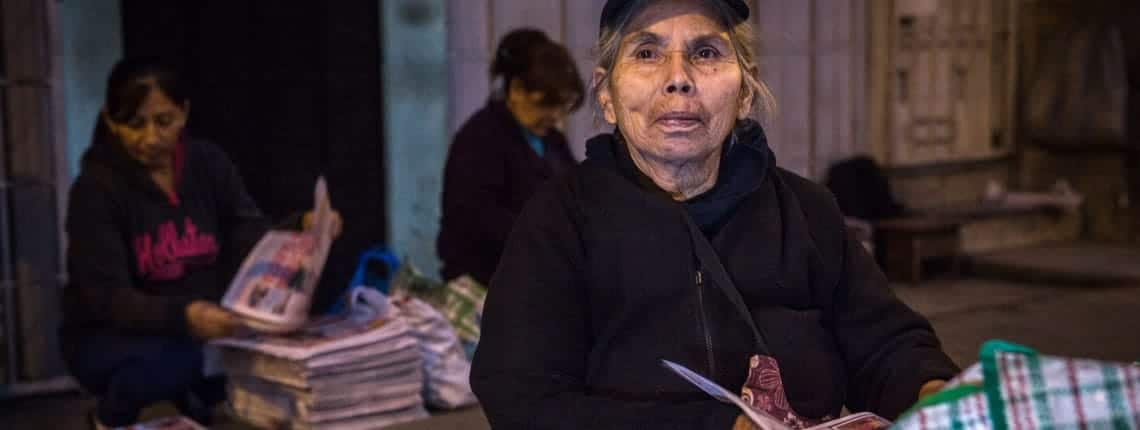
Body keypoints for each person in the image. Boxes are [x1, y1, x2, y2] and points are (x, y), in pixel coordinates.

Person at [470, 1, 960, 429]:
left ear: (745, 92)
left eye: (706, 53)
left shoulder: (808, 211)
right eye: (646, 53)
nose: (679, 79)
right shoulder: (560, 221)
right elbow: (523, 399)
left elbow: (885, 343)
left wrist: (931, 390)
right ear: (607, 97)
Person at [59, 57, 340, 429]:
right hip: (113, 335)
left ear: (184, 113)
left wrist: (302, 227)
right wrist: (186, 316)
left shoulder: (207, 163)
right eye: (134, 124)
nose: (151, 138)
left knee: (265, 356)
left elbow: (246, 230)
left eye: (164, 121)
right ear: (111, 121)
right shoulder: (95, 191)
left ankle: (190, 397)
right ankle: (108, 419)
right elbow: (109, 300)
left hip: (198, 325)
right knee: (174, 362)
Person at [437, 28, 585, 286]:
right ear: (516, 90)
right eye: (546, 105)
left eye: (561, 107)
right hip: (488, 282)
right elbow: (475, 219)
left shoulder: (552, 140)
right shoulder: (480, 139)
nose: (555, 116)